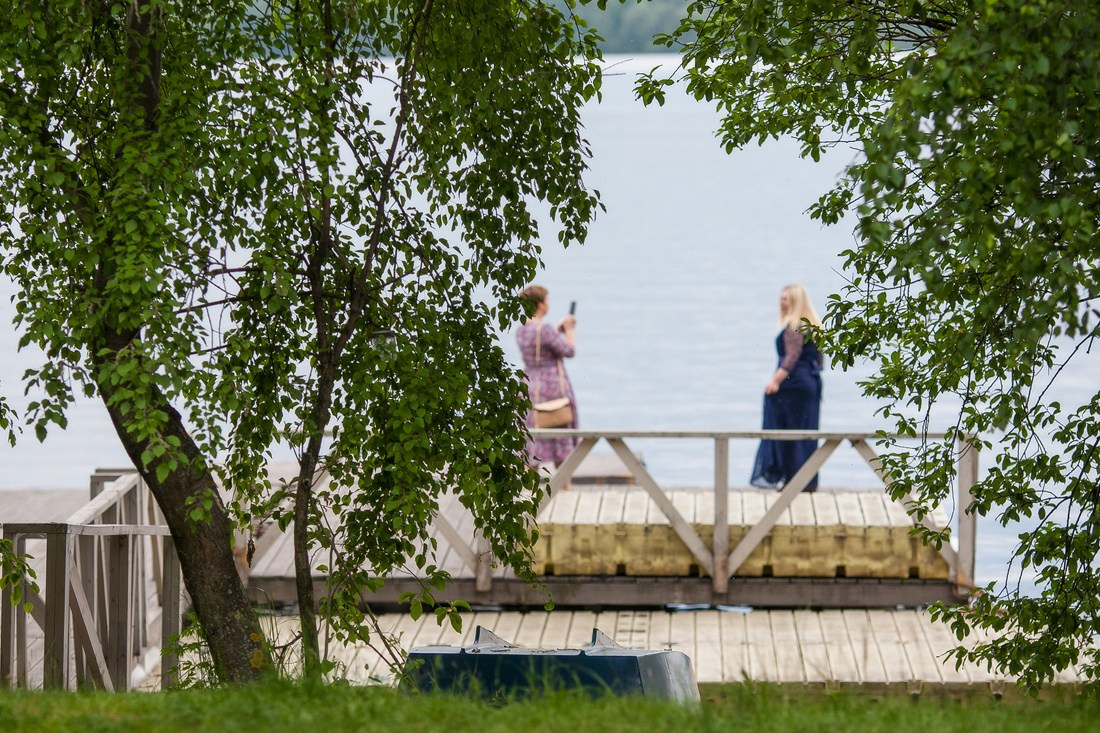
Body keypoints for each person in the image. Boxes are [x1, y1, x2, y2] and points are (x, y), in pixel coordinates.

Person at [750, 283, 824, 491]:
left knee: (787, 431)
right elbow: (818, 358)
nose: (781, 303)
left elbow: (791, 358)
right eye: (781, 299)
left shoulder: (794, 325)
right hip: (810, 384)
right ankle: (806, 481)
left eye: (785, 299)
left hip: (794, 386)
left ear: (795, 301)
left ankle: (791, 480)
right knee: (806, 432)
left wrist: (774, 382)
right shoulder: (812, 325)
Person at [516, 285, 578, 472]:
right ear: (541, 305)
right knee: (559, 434)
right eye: (547, 301)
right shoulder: (545, 329)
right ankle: (565, 485)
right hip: (551, 387)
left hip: (529, 385)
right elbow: (569, 350)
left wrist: (557, 331)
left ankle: (529, 487)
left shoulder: (521, 329)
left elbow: (543, 346)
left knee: (533, 435)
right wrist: (568, 331)